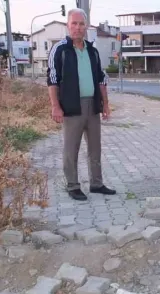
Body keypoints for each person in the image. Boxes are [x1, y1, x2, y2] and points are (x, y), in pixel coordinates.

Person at [47, 8, 115, 201]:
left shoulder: (92, 51)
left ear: (86, 26)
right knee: (71, 149)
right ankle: (73, 185)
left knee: (95, 147)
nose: (77, 28)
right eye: (74, 23)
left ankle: (96, 183)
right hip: (71, 107)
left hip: (92, 106)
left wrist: (105, 104)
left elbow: (101, 79)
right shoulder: (60, 50)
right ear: (68, 25)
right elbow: (52, 80)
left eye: (81, 24)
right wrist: (55, 106)